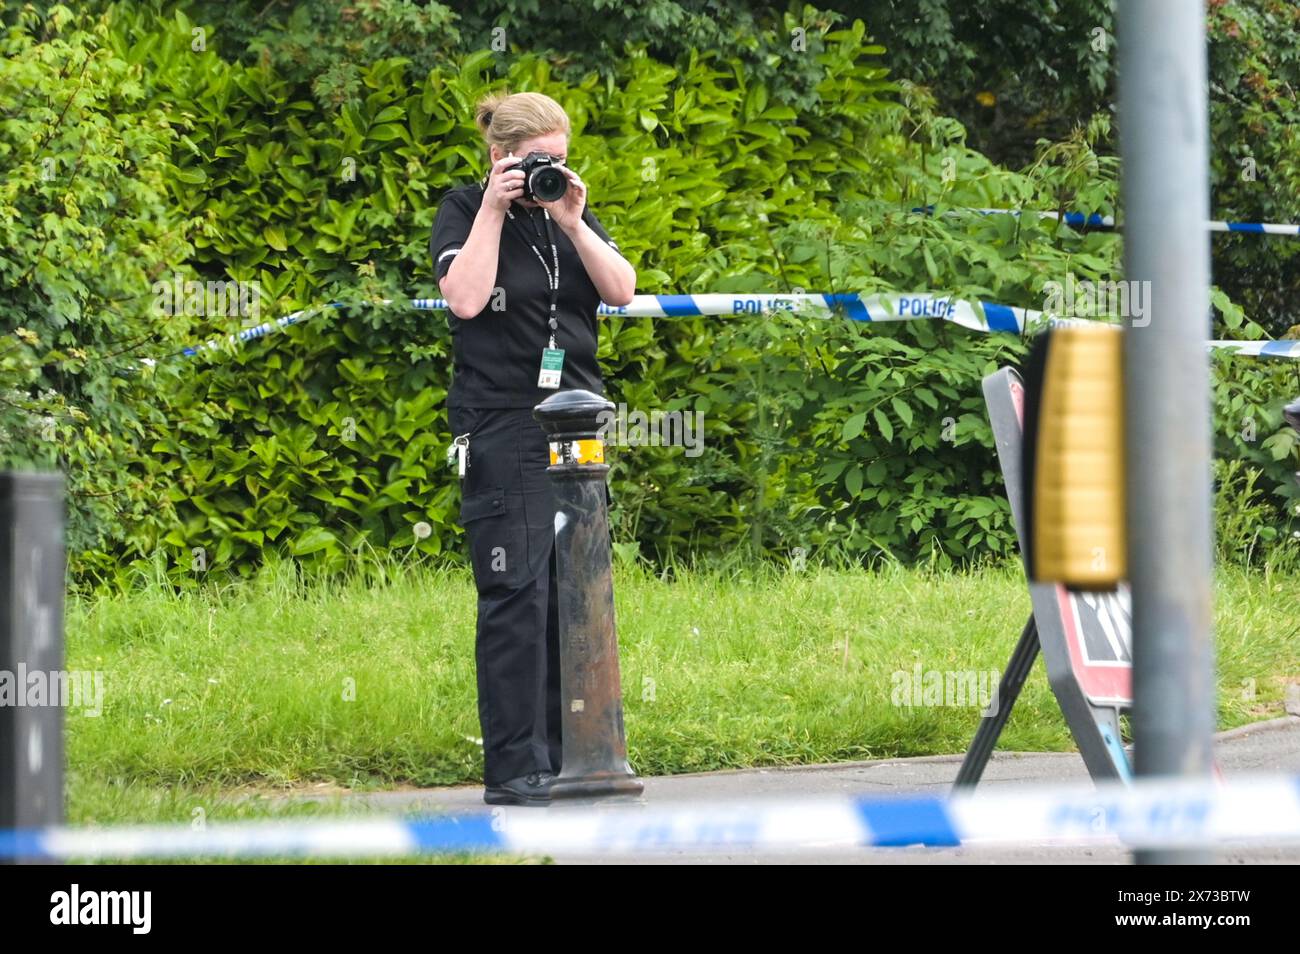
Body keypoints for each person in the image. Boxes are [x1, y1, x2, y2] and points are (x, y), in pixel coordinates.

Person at [429, 90, 636, 806]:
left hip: (577, 422)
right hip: (505, 420)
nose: (550, 171)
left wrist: (575, 223)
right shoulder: (463, 208)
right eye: (535, 161)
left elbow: (622, 289)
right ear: (499, 155)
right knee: (516, 588)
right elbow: (463, 298)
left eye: (560, 158)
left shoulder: (563, 209)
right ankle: (515, 767)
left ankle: (571, 755)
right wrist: (493, 206)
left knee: (573, 591)